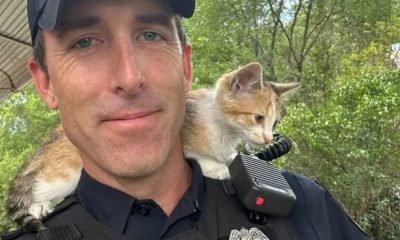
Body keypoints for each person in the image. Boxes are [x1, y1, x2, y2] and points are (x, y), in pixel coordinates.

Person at [2, 0, 370, 239]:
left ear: (186, 67)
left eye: (150, 34)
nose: (130, 78)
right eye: (84, 41)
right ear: (45, 83)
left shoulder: (305, 208)